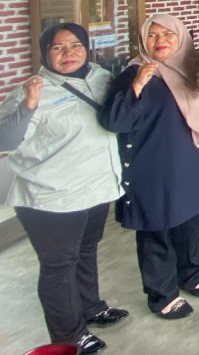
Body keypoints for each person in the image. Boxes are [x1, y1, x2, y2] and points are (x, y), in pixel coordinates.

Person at [0, 24, 127, 355]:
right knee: (59, 266)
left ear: (87, 48)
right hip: (51, 197)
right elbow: (4, 141)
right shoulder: (33, 90)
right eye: (58, 47)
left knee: (86, 250)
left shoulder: (100, 77)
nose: (68, 53)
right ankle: (69, 335)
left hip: (96, 188)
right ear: (45, 53)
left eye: (75, 45)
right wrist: (28, 106)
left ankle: (92, 307)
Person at [100, 14, 199, 320]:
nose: (160, 41)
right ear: (143, 41)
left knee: (190, 222)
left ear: (181, 37)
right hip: (153, 167)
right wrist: (138, 85)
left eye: (167, 34)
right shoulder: (134, 72)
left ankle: (191, 274)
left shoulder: (193, 67)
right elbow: (114, 121)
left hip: (190, 162)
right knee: (157, 229)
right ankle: (162, 294)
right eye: (152, 36)